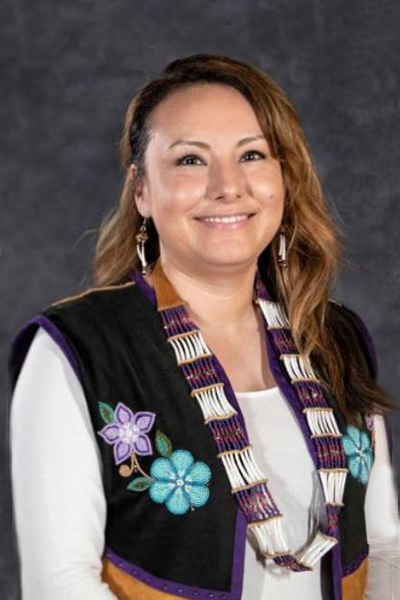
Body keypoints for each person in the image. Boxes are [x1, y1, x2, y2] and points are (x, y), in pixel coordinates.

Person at [8, 54, 399, 600]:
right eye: (191, 160)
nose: (227, 186)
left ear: (283, 178)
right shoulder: (76, 350)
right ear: (142, 190)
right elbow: (60, 585)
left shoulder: (334, 338)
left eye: (253, 155)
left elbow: (383, 550)